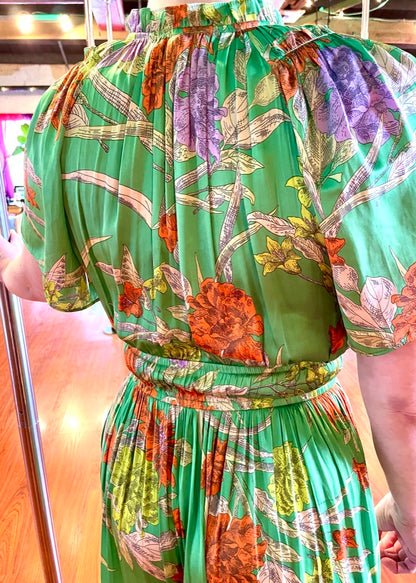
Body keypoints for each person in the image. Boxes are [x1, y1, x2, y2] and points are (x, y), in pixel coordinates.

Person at [1, 0, 416, 580]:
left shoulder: (71, 100)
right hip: (284, 460)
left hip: (148, 446)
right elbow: (402, 394)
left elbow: (35, 277)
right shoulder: (350, 83)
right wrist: (410, 517)